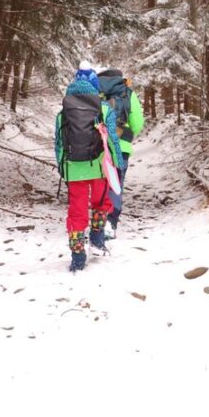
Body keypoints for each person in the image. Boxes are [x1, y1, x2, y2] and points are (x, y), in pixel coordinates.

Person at [54, 65, 124, 272]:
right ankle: (97, 239)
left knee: (76, 211)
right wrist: (117, 164)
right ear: (95, 85)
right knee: (101, 202)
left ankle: (77, 257)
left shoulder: (63, 112)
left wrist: (62, 167)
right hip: (99, 167)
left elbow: (58, 144)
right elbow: (112, 139)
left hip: (74, 169)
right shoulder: (104, 109)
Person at [96, 68, 144, 238]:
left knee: (98, 183)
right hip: (120, 146)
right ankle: (110, 221)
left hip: (96, 145)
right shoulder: (127, 93)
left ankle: (97, 220)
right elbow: (137, 123)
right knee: (115, 183)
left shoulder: (93, 89)